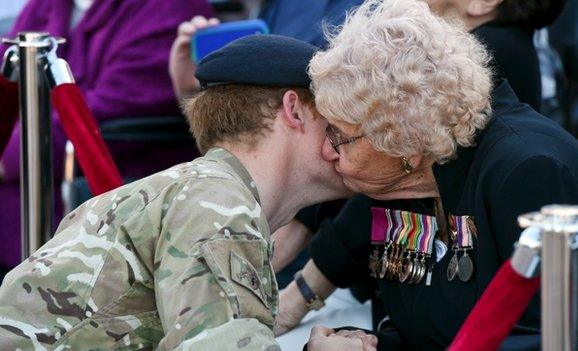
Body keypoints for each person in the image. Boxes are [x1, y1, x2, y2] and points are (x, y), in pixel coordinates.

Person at [277, 0, 578, 349]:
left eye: (339, 135)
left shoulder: (530, 174)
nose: (327, 150)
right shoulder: (408, 180)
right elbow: (428, 333)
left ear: (405, 143)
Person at [0, 34, 375, 350]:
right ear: (294, 110)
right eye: (335, 111)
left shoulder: (199, 191)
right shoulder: (217, 205)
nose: (351, 130)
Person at [0, 0, 214, 274]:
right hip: (35, 165)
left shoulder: (168, 9)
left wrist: (8, 156)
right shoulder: (46, 5)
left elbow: (115, 108)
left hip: (113, 183)